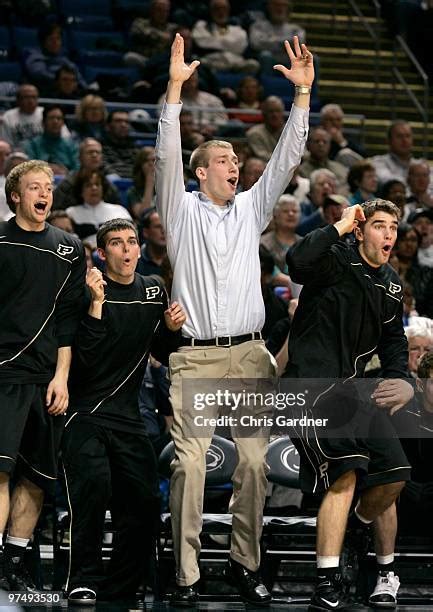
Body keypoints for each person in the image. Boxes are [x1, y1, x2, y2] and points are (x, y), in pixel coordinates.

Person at [156, 33, 313, 606]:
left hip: (250, 353)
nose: (234, 164)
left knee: (252, 462)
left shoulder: (251, 208)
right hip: (196, 354)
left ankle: (246, 564)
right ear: (200, 173)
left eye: (235, 159)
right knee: (190, 466)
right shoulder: (178, 207)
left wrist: (302, 98)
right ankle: (187, 573)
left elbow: (285, 161)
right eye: (222, 159)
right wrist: (174, 89)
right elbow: (165, 154)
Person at [285, 199, 414, 610]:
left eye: (394, 226)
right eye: (379, 225)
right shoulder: (334, 259)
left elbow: (395, 342)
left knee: (394, 475)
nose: (389, 234)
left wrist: (404, 381)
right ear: (360, 232)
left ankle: (357, 531)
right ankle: (327, 580)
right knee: (347, 472)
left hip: (356, 393)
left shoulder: (392, 284)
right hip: (311, 389)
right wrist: (338, 226)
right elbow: (297, 262)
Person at [63, 218, 186, 605]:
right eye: (117, 244)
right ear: (101, 254)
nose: (128, 249)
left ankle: (123, 586)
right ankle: (82, 578)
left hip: (129, 415)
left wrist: (169, 329)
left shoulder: (153, 290)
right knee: (94, 491)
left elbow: (162, 354)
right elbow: (85, 362)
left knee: (144, 502)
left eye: (132, 242)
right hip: (85, 413)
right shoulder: (84, 293)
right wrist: (97, 307)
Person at [0, 160, 86, 592]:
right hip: (4, 375)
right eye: (35, 187)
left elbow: (68, 322)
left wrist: (62, 377)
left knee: (36, 477)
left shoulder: (69, 247)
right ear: (15, 195)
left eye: (49, 187)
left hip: (47, 379)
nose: (44, 194)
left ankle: (12, 564)